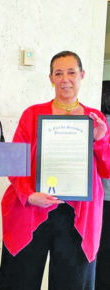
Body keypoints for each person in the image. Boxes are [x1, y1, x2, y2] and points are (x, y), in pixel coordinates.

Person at [0, 51, 110, 290]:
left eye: (71, 72)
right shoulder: (32, 114)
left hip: (78, 214)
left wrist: (99, 139)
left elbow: (106, 169)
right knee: (19, 280)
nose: (65, 79)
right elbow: (15, 162)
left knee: (73, 282)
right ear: (51, 78)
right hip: (34, 208)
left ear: (82, 75)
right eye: (58, 73)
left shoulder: (95, 118)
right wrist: (28, 195)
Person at [95, 81, 110, 290]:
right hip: (104, 197)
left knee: (102, 256)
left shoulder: (99, 123)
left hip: (101, 199)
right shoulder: (101, 125)